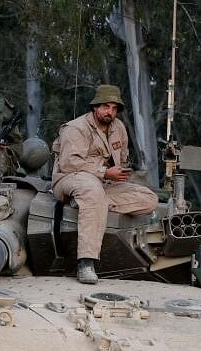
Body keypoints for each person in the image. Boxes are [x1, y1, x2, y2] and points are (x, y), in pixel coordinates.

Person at [52, 84, 158, 284]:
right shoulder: (76, 128)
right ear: (95, 107)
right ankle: (86, 262)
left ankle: (90, 203)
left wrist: (121, 172)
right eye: (106, 107)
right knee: (91, 190)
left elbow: (123, 159)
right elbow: (69, 163)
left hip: (103, 184)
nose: (110, 112)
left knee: (149, 198)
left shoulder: (118, 128)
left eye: (114, 108)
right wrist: (104, 171)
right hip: (69, 178)